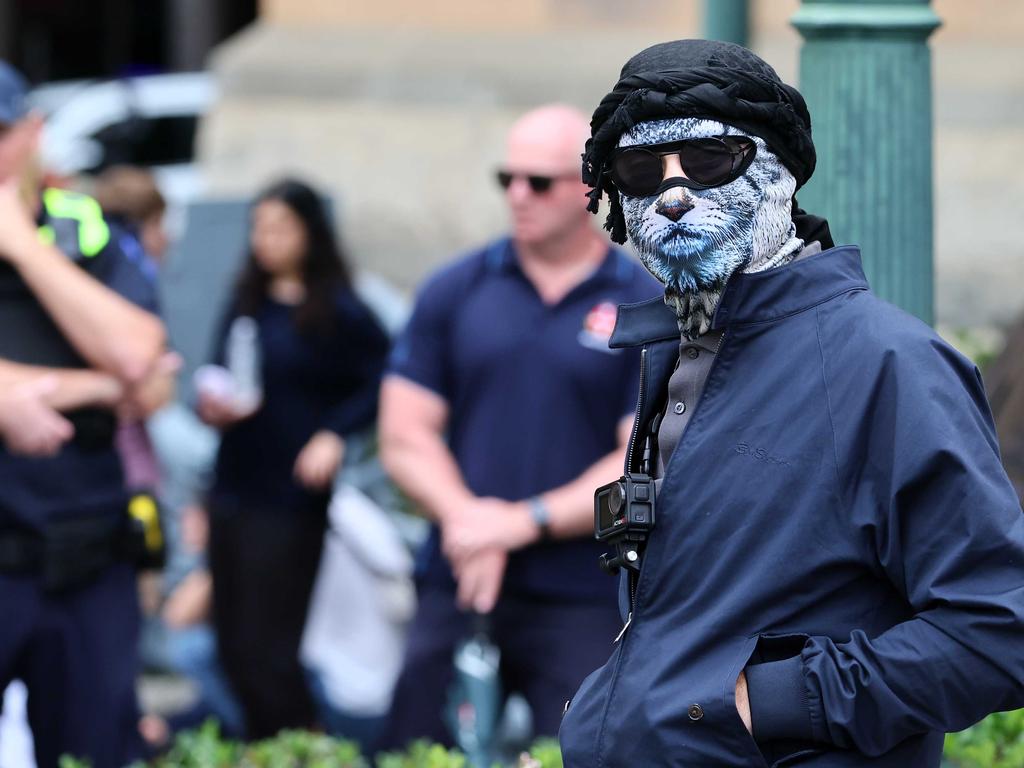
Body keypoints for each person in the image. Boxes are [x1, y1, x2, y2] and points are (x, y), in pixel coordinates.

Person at [557, 39, 1024, 768]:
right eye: (641, 171)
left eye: (710, 160)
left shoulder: (885, 360)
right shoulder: (680, 349)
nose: (674, 194)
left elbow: (999, 630)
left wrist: (772, 701)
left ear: (779, 175)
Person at [378, 104, 661, 749]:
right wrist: (468, 520)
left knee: (581, 750)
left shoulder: (641, 300)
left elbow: (637, 454)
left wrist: (522, 521)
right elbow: (404, 433)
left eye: (538, 182)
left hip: (580, 587)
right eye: (505, 178)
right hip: (462, 572)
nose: (516, 195)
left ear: (590, 187)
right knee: (415, 750)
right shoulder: (456, 288)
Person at [0, 60, 170, 768]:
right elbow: (126, 378)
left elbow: (141, 358)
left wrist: (21, 248)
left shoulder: (82, 228)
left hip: (85, 556)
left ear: (32, 132)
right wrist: (87, 386)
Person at [198, 178, 390, 740]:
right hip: (234, 485)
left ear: (310, 234)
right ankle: (267, 747)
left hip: (289, 501)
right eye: (258, 227)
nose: (265, 240)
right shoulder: (247, 299)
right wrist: (212, 402)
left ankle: (305, 745)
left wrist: (335, 433)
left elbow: (388, 374)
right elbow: (215, 368)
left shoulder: (338, 311)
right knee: (232, 645)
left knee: (269, 650)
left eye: (280, 228)